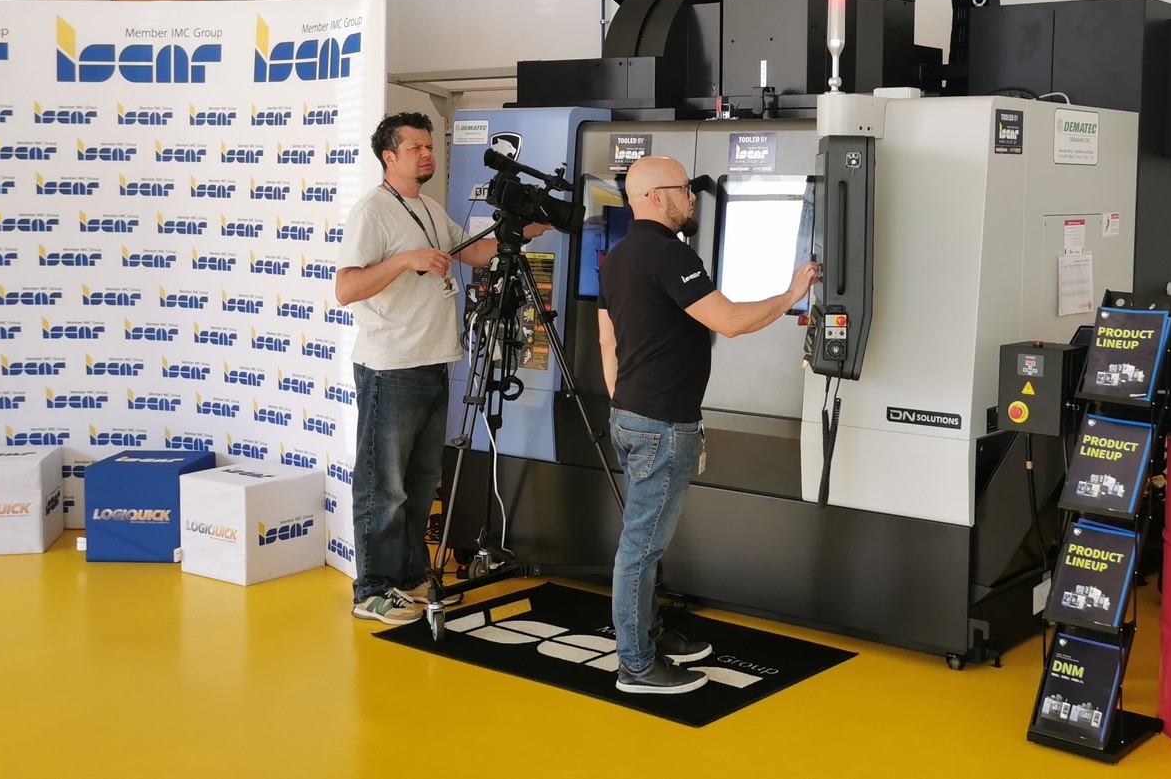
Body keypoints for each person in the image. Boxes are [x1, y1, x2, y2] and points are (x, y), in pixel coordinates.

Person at [597, 155, 819, 693]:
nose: (692, 197)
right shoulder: (670, 254)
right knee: (642, 547)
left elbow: (608, 341)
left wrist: (628, 404)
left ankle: (648, 634)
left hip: (631, 415)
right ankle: (636, 665)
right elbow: (731, 322)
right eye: (683, 189)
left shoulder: (618, 255)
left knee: (643, 539)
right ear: (655, 197)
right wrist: (792, 294)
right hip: (660, 424)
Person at [335, 112, 547, 625]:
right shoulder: (372, 212)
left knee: (420, 481)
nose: (427, 154)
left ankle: (409, 578)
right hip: (391, 366)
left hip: (433, 360)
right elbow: (346, 288)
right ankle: (372, 590)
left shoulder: (429, 207)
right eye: (416, 148)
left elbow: (472, 253)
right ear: (389, 157)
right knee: (383, 486)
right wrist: (404, 261)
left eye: (430, 146)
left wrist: (529, 230)